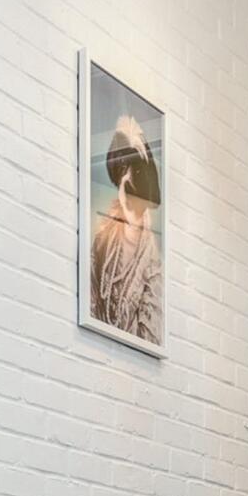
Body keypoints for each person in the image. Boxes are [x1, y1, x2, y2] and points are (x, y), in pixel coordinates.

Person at [89, 112, 163, 343]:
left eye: (135, 175)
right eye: (122, 172)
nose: (126, 184)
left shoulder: (153, 266)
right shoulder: (103, 239)